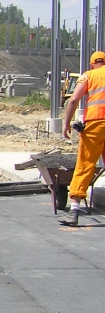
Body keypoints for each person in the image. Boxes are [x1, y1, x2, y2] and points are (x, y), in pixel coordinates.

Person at [58, 50, 105, 226]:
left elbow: (74, 99)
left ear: (92, 63)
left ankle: (74, 211)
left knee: (85, 164)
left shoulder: (88, 76)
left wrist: (66, 123)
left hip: (95, 124)